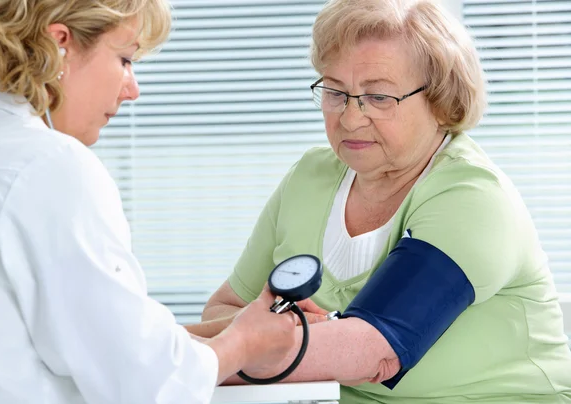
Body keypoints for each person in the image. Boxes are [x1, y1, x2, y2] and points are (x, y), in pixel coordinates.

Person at [202, 0, 571, 402]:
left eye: (378, 97)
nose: (349, 118)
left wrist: (182, 355)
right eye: (335, 92)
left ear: (441, 102)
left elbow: (369, 350)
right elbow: (226, 309)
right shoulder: (310, 177)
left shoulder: (473, 199)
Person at [0, 1, 305, 403]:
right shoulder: (48, 168)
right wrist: (243, 344)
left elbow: (77, 339)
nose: (133, 90)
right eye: (125, 59)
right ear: (60, 44)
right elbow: (142, 383)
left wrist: (219, 333)